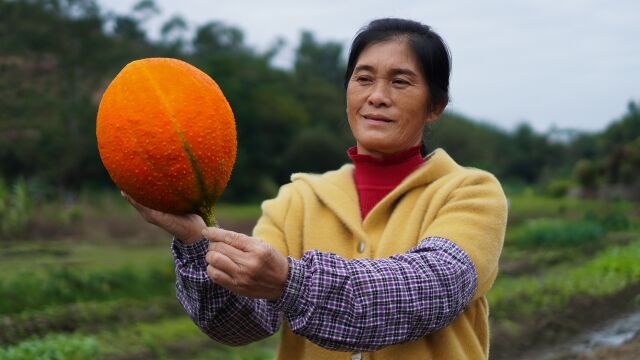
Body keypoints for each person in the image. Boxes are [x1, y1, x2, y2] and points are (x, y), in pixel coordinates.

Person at [123, 18, 508, 360]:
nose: (376, 95)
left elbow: (428, 290)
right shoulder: (297, 200)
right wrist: (196, 240)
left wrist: (290, 281)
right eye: (363, 78)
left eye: (400, 81)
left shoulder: (472, 193)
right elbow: (243, 324)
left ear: (435, 105)